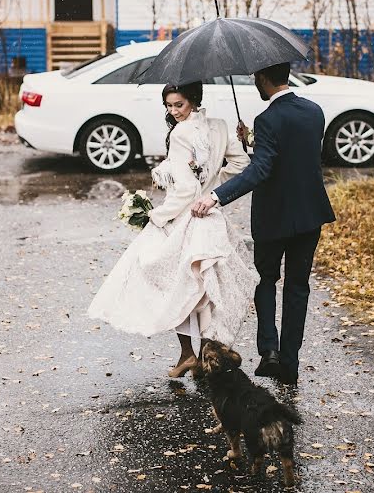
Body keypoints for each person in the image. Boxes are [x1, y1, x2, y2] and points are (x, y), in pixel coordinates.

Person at [87, 82, 258, 377]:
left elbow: (184, 191)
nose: (173, 111)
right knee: (202, 289)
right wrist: (214, 188)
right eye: (169, 105)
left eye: (179, 104)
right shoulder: (218, 126)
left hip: (184, 219)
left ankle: (188, 354)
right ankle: (204, 356)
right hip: (211, 219)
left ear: (193, 100)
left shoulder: (180, 135)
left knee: (172, 287)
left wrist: (157, 216)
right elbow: (242, 163)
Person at [191, 62, 336, 386]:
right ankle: (290, 364)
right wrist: (253, 141)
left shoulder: (268, 119)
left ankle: (268, 351)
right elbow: (293, 152)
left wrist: (216, 196)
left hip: (274, 217)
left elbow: (261, 171)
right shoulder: (314, 112)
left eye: (256, 78)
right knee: (298, 287)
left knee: (266, 280)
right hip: (310, 213)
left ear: (263, 78)